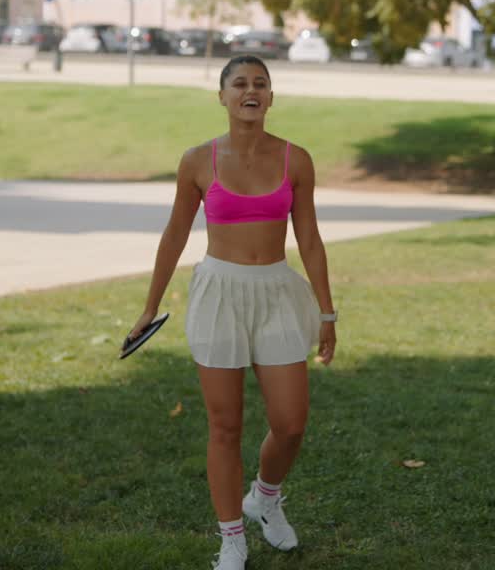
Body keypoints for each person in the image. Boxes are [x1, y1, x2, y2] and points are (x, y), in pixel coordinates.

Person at [123, 55, 337, 570]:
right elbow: (175, 234)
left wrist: (327, 315)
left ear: (270, 96)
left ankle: (265, 498)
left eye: (260, 83)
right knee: (225, 427)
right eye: (239, 83)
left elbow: (308, 237)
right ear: (222, 96)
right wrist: (149, 307)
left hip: (277, 293)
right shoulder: (198, 161)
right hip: (219, 294)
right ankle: (231, 539)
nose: (251, 90)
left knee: (291, 423)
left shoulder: (296, 159)